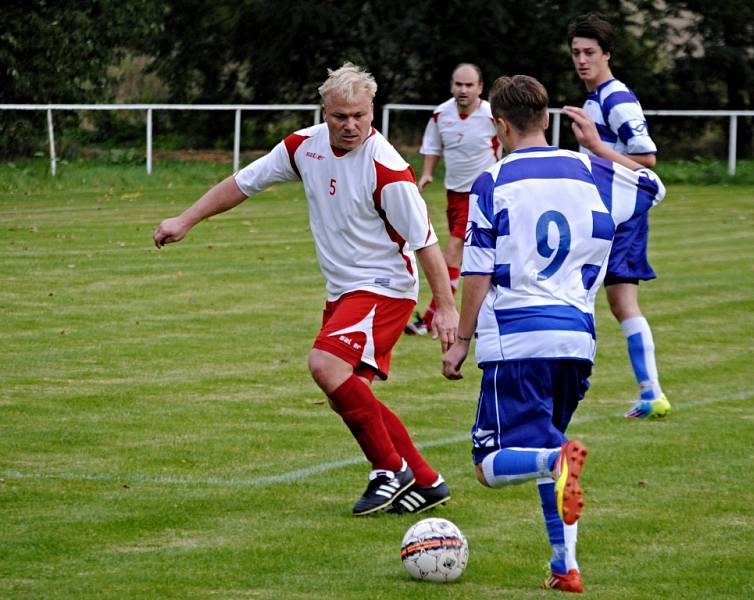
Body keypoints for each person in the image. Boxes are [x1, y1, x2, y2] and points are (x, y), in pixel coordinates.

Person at [153, 63, 458, 516]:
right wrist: (186, 219)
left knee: (324, 365)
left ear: (372, 111)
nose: (351, 125)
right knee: (349, 391)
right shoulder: (304, 147)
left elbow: (427, 242)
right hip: (344, 290)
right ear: (324, 113)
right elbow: (243, 183)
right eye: (340, 116)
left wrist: (446, 308)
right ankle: (427, 481)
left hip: (385, 288)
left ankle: (389, 471)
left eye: (360, 115)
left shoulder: (389, 169)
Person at [442, 75, 666, 593]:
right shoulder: (590, 169)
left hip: (518, 341)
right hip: (577, 343)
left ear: (497, 125)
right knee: (550, 454)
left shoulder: (492, 181)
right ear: (547, 119)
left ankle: (554, 459)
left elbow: (477, 272)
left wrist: (460, 340)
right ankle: (565, 567)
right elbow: (654, 188)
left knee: (491, 462)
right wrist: (598, 146)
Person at [568, 13, 671, 419]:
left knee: (588, 295)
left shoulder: (616, 98)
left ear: (607, 54)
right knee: (615, 302)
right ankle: (650, 393)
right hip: (608, 214)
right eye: (576, 52)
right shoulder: (595, 98)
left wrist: (594, 146)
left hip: (622, 217)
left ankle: (643, 391)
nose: (581, 60)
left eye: (590, 52)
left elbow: (647, 160)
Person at [404, 63, 501, 335]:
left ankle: (433, 317)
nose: (463, 90)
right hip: (454, 195)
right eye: (459, 84)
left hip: (483, 195)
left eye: (469, 85)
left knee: (452, 251)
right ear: (451, 86)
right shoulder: (440, 115)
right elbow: (432, 148)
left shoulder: (492, 116)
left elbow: (513, 142)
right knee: (474, 258)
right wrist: (425, 175)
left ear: (480, 88)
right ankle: (482, 318)